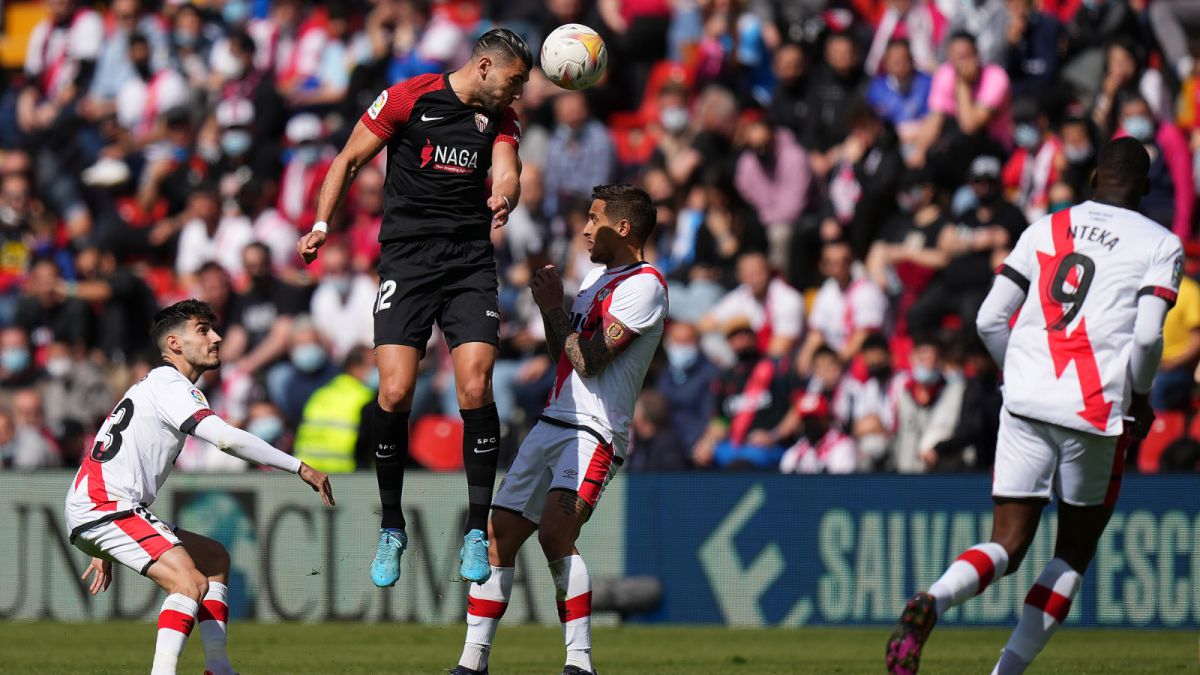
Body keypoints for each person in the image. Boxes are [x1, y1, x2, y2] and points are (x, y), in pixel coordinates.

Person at [887, 138, 1182, 674]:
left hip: (1024, 400)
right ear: (1144, 187)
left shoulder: (1046, 226)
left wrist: (1018, 372)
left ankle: (935, 597)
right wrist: (1139, 397)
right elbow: (1144, 340)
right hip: (1091, 410)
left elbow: (986, 320)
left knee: (1007, 542)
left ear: (1094, 178)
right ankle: (1006, 672)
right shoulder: (1161, 243)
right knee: (1073, 551)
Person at [295, 28, 532, 586]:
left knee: (475, 386)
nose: (518, 92)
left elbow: (508, 171)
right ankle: (392, 527)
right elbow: (349, 158)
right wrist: (322, 224)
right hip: (407, 261)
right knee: (395, 391)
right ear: (483, 67)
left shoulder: (500, 119)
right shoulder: (409, 98)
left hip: (470, 263)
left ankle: (477, 527)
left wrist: (505, 196)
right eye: (514, 80)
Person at [449, 185, 666, 675]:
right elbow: (562, 358)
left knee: (554, 534)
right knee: (498, 533)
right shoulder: (594, 279)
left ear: (623, 228)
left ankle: (580, 663)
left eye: (594, 219)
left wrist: (552, 308)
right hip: (554, 418)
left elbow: (589, 360)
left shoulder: (645, 285)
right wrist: (556, 310)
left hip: (595, 430)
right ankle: (471, 663)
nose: (585, 230)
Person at [64, 300, 333, 675]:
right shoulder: (169, 383)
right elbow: (223, 438)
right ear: (174, 344)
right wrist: (297, 465)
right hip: (107, 506)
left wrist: (103, 545)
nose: (217, 337)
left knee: (212, 560)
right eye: (203, 330)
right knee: (187, 581)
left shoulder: (155, 386)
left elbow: (115, 456)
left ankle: (219, 668)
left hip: (104, 506)